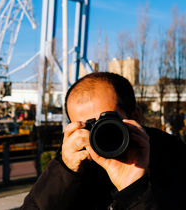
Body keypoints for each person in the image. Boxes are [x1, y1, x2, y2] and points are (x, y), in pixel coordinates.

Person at [21, 72, 186, 210]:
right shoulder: (75, 162)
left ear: (135, 116)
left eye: (107, 123)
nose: (98, 135)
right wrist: (64, 172)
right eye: (88, 127)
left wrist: (135, 190)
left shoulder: (172, 155)